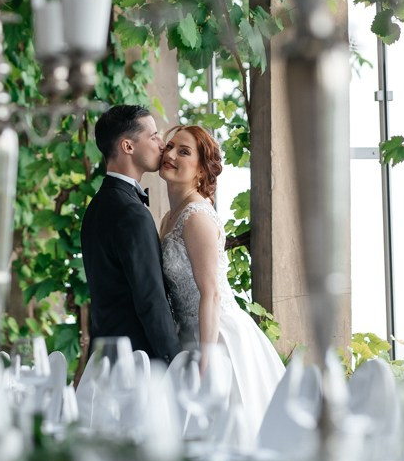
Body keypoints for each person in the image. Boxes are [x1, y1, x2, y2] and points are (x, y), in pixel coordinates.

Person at [159, 124, 284, 439]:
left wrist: (207, 359)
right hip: (185, 334)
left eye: (183, 151)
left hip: (216, 336)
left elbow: (211, 294)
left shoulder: (196, 217)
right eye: (170, 146)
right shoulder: (168, 218)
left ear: (201, 170)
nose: (170, 154)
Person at [81, 104, 180, 364]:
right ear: (128, 146)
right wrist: (175, 362)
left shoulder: (97, 206)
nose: (162, 145)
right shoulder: (130, 212)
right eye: (154, 136)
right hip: (137, 362)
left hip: (105, 357)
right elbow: (151, 299)